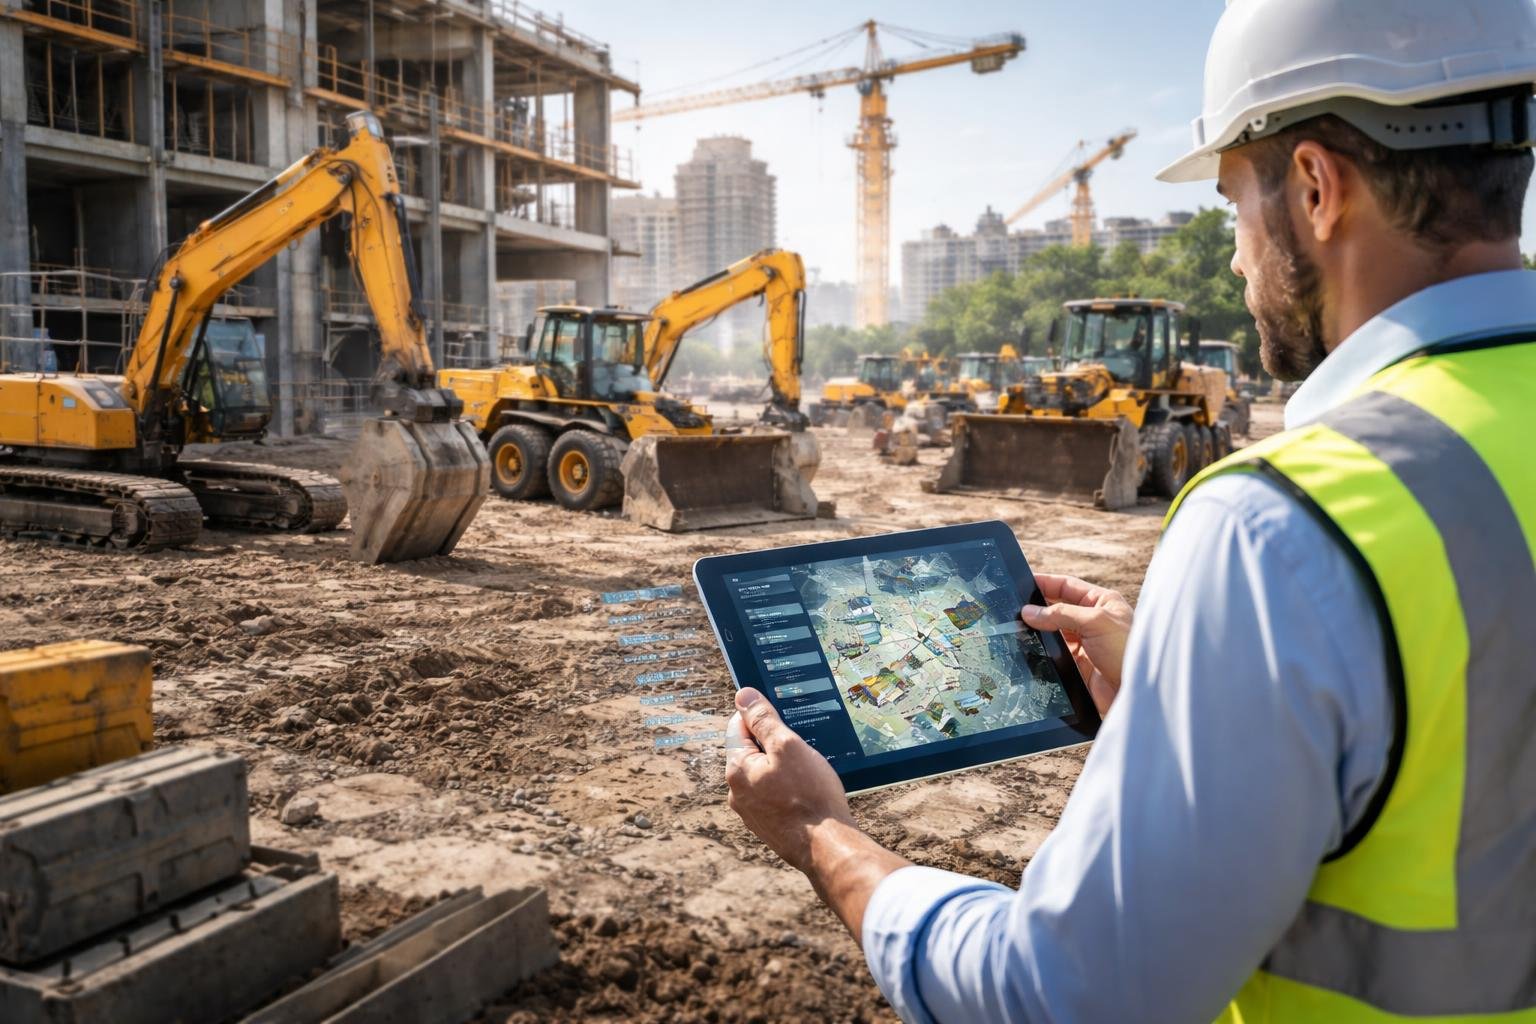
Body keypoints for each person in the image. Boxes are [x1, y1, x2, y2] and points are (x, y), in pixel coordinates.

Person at [724, 1, 1536, 1020]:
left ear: (1317, 190)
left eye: (1235, 209)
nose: (1238, 260)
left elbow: (1067, 994)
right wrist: (1223, 682)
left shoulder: (1281, 531)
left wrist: (820, 834)